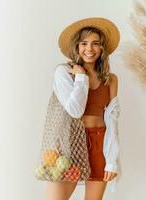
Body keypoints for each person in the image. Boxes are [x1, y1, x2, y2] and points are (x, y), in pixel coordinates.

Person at [46, 17, 120, 200]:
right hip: (70, 142)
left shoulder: (110, 79)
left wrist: (111, 161)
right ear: (77, 47)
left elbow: (112, 121)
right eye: (84, 43)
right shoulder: (64, 72)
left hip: (98, 143)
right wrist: (81, 78)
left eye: (95, 43)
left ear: (102, 48)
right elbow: (75, 110)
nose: (89, 49)